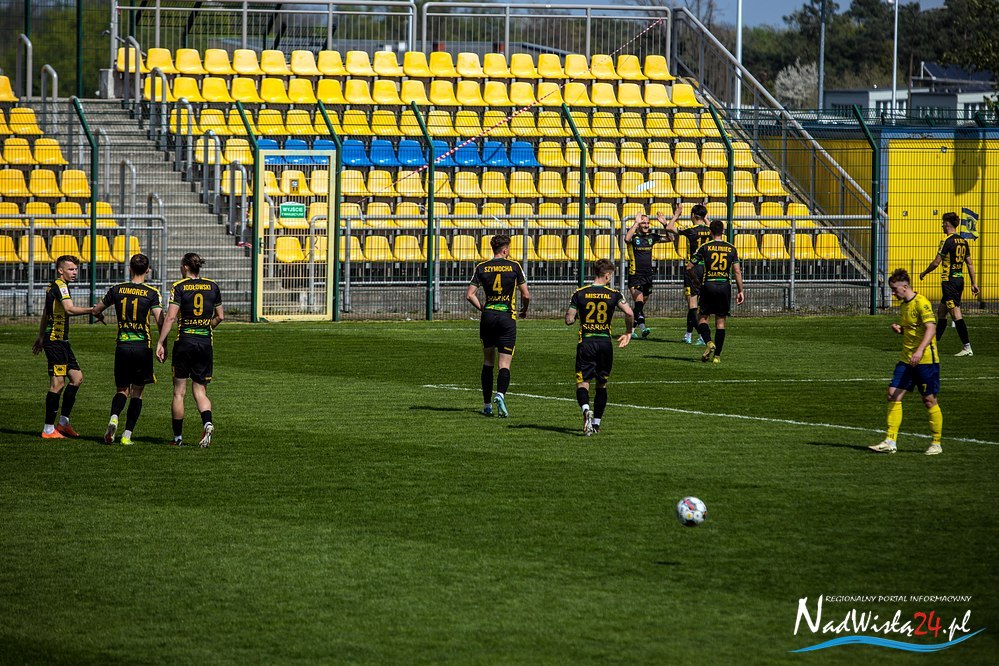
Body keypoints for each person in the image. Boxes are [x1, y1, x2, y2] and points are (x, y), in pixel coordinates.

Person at [92, 254, 164, 445]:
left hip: (122, 346)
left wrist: (100, 317)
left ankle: (114, 417)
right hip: (142, 347)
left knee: (122, 389)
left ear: (130, 268)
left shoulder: (117, 289)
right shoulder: (152, 292)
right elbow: (160, 320)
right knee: (137, 392)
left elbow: (96, 310)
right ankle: (127, 436)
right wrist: (162, 342)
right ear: (147, 270)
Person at [870, 269, 944, 455]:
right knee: (892, 394)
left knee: (929, 400)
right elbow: (913, 329)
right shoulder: (904, 305)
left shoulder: (922, 303)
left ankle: (936, 443)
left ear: (905, 287)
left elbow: (931, 329)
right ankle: (890, 441)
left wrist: (919, 351)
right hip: (906, 359)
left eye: (895, 289)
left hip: (925, 360)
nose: (893, 293)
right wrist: (901, 330)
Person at [156, 253, 224, 447]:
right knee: (200, 390)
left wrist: (161, 342)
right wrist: (206, 327)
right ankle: (207, 423)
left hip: (184, 342)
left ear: (185, 267)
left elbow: (170, 318)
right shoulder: (212, 286)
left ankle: (177, 438)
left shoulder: (179, 287)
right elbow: (220, 316)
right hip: (205, 343)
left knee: (179, 392)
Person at [31, 255, 101, 439]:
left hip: (61, 341)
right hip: (55, 341)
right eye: (71, 269)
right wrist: (92, 310)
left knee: (77, 378)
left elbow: (46, 312)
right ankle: (48, 429)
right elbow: (69, 309)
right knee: (58, 383)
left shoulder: (54, 286)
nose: (75, 272)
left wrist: (40, 336)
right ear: (60, 270)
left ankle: (63, 423)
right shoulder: (60, 286)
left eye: (76, 269)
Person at [565, 258, 634, 436]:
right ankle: (596, 424)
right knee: (601, 384)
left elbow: (569, 319)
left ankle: (586, 409)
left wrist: (575, 317)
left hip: (587, 342)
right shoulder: (614, 294)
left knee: (583, 383)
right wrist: (628, 332)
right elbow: (629, 312)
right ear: (607, 275)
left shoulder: (580, 293)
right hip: (605, 343)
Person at [466, 234, 530, 417]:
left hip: (488, 317)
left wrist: (483, 308)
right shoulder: (514, 266)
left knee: (488, 362)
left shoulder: (482, 267)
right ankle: (500, 394)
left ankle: (487, 406)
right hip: (506, 317)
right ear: (505, 250)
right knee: (504, 363)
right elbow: (526, 295)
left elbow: (470, 294)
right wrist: (524, 310)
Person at [918, 212, 979, 357]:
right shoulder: (963, 241)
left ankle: (967, 347)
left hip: (949, 282)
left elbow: (936, 262)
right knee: (941, 312)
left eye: (943, 223)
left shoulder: (947, 241)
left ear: (947, 224)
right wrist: (974, 283)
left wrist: (924, 272)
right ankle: (932, 344)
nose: (942, 225)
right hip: (959, 280)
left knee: (956, 314)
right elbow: (969, 263)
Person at [686, 219, 744, 364]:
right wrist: (740, 290)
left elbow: (689, 267)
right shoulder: (731, 248)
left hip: (709, 284)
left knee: (702, 318)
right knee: (720, 322)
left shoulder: (705, 247)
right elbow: (737, 272)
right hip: (724, 286)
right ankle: (717, 357)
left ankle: (709, 342)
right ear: (723, 231)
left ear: (710, 232)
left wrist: (695, 281)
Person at [624, 210, 676, 339]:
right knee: (639, 302)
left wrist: (665, 224)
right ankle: (641, 328)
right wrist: (636, 223)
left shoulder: (652, 237)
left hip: (648, 275)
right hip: (635, 275)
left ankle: (632, 330)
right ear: (639, 224)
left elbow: (671, 238)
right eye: (643, 223)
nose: (646, 225)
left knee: (641, 304)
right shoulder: (634, 237)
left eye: (647, 223)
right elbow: (626, 238)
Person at [676, 204, 714, 344]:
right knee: (702, 304)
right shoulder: (710, 230)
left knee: (692, 304)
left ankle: (702, 335)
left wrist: (676, 214)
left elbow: (670, 228)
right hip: (706, 268)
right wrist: (706, 217)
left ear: (692, 215)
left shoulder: (690, 230)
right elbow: (715, 230)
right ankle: (688, 335)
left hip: (691, 268)